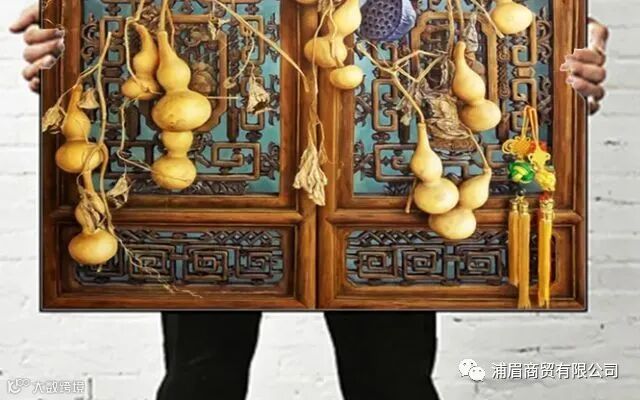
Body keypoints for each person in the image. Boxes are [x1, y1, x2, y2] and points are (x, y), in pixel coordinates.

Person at [11, 4, 609, 400]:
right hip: (227, 142)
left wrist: (559, 39)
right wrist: (79, 31)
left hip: (383, 144)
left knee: (392, 382)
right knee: (202, 379)